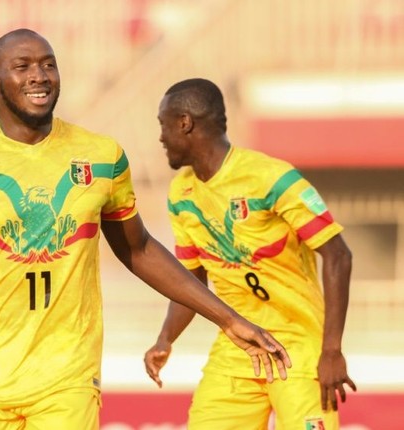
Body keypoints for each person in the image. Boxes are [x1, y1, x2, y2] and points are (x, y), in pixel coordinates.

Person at [0, 29, 291, 429]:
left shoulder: (101, 156)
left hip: (67, 377)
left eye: (49, 64)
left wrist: (228, 318)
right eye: (23, 66)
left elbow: (140, 250)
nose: (39, 75)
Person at [144, 78, 356, 429]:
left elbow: (338, 255)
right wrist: (165, 338)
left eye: (163, 125)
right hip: (238, 348)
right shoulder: (181, 192)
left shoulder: (270, 177)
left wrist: (331, 350)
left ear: (184, 123)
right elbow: (191, 276)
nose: (161, 137)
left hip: (298, 347)